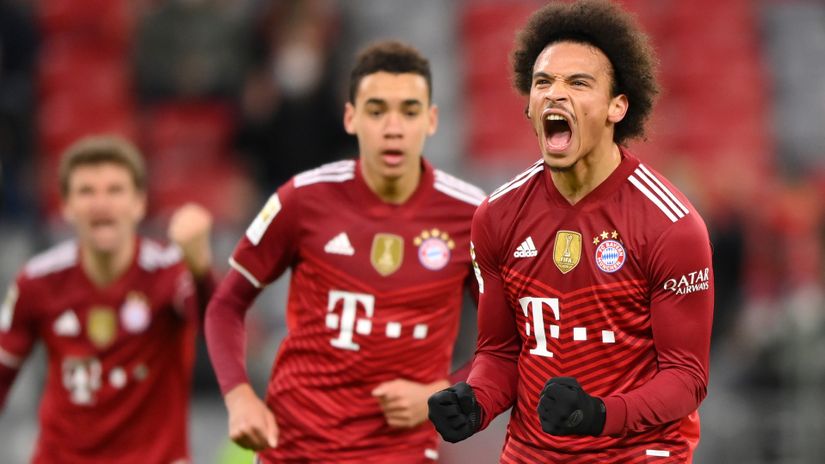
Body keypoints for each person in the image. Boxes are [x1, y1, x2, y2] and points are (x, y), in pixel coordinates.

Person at [427, 1, 714, 462]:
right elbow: (500, 354)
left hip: (636, 454)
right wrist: (475, 403)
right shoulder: (497, 216)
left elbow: (686, 379)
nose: (554, 94)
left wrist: (599, 414)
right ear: (529, 105)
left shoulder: (671, 225)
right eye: (543, 82)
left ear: (617, 106)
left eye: (578, 83)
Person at [205, 40, 484, 463]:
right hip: (295, 447)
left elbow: (511, 340)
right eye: (377, 111)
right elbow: (226, 305)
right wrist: (239, 395)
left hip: (398, 453)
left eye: (409, 111)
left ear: (431, 120)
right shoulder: (302, 198)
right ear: (351, 118)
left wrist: (444, 392)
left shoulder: (473, 216)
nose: (393, 127)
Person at [0, 135, 215, 463]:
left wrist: (201, 271)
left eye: (115, 190)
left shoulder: (171, 270)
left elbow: (215, 325)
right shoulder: (38, 281)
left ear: (139, 203)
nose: (101, 204)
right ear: (66, 206)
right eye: (87, 191)